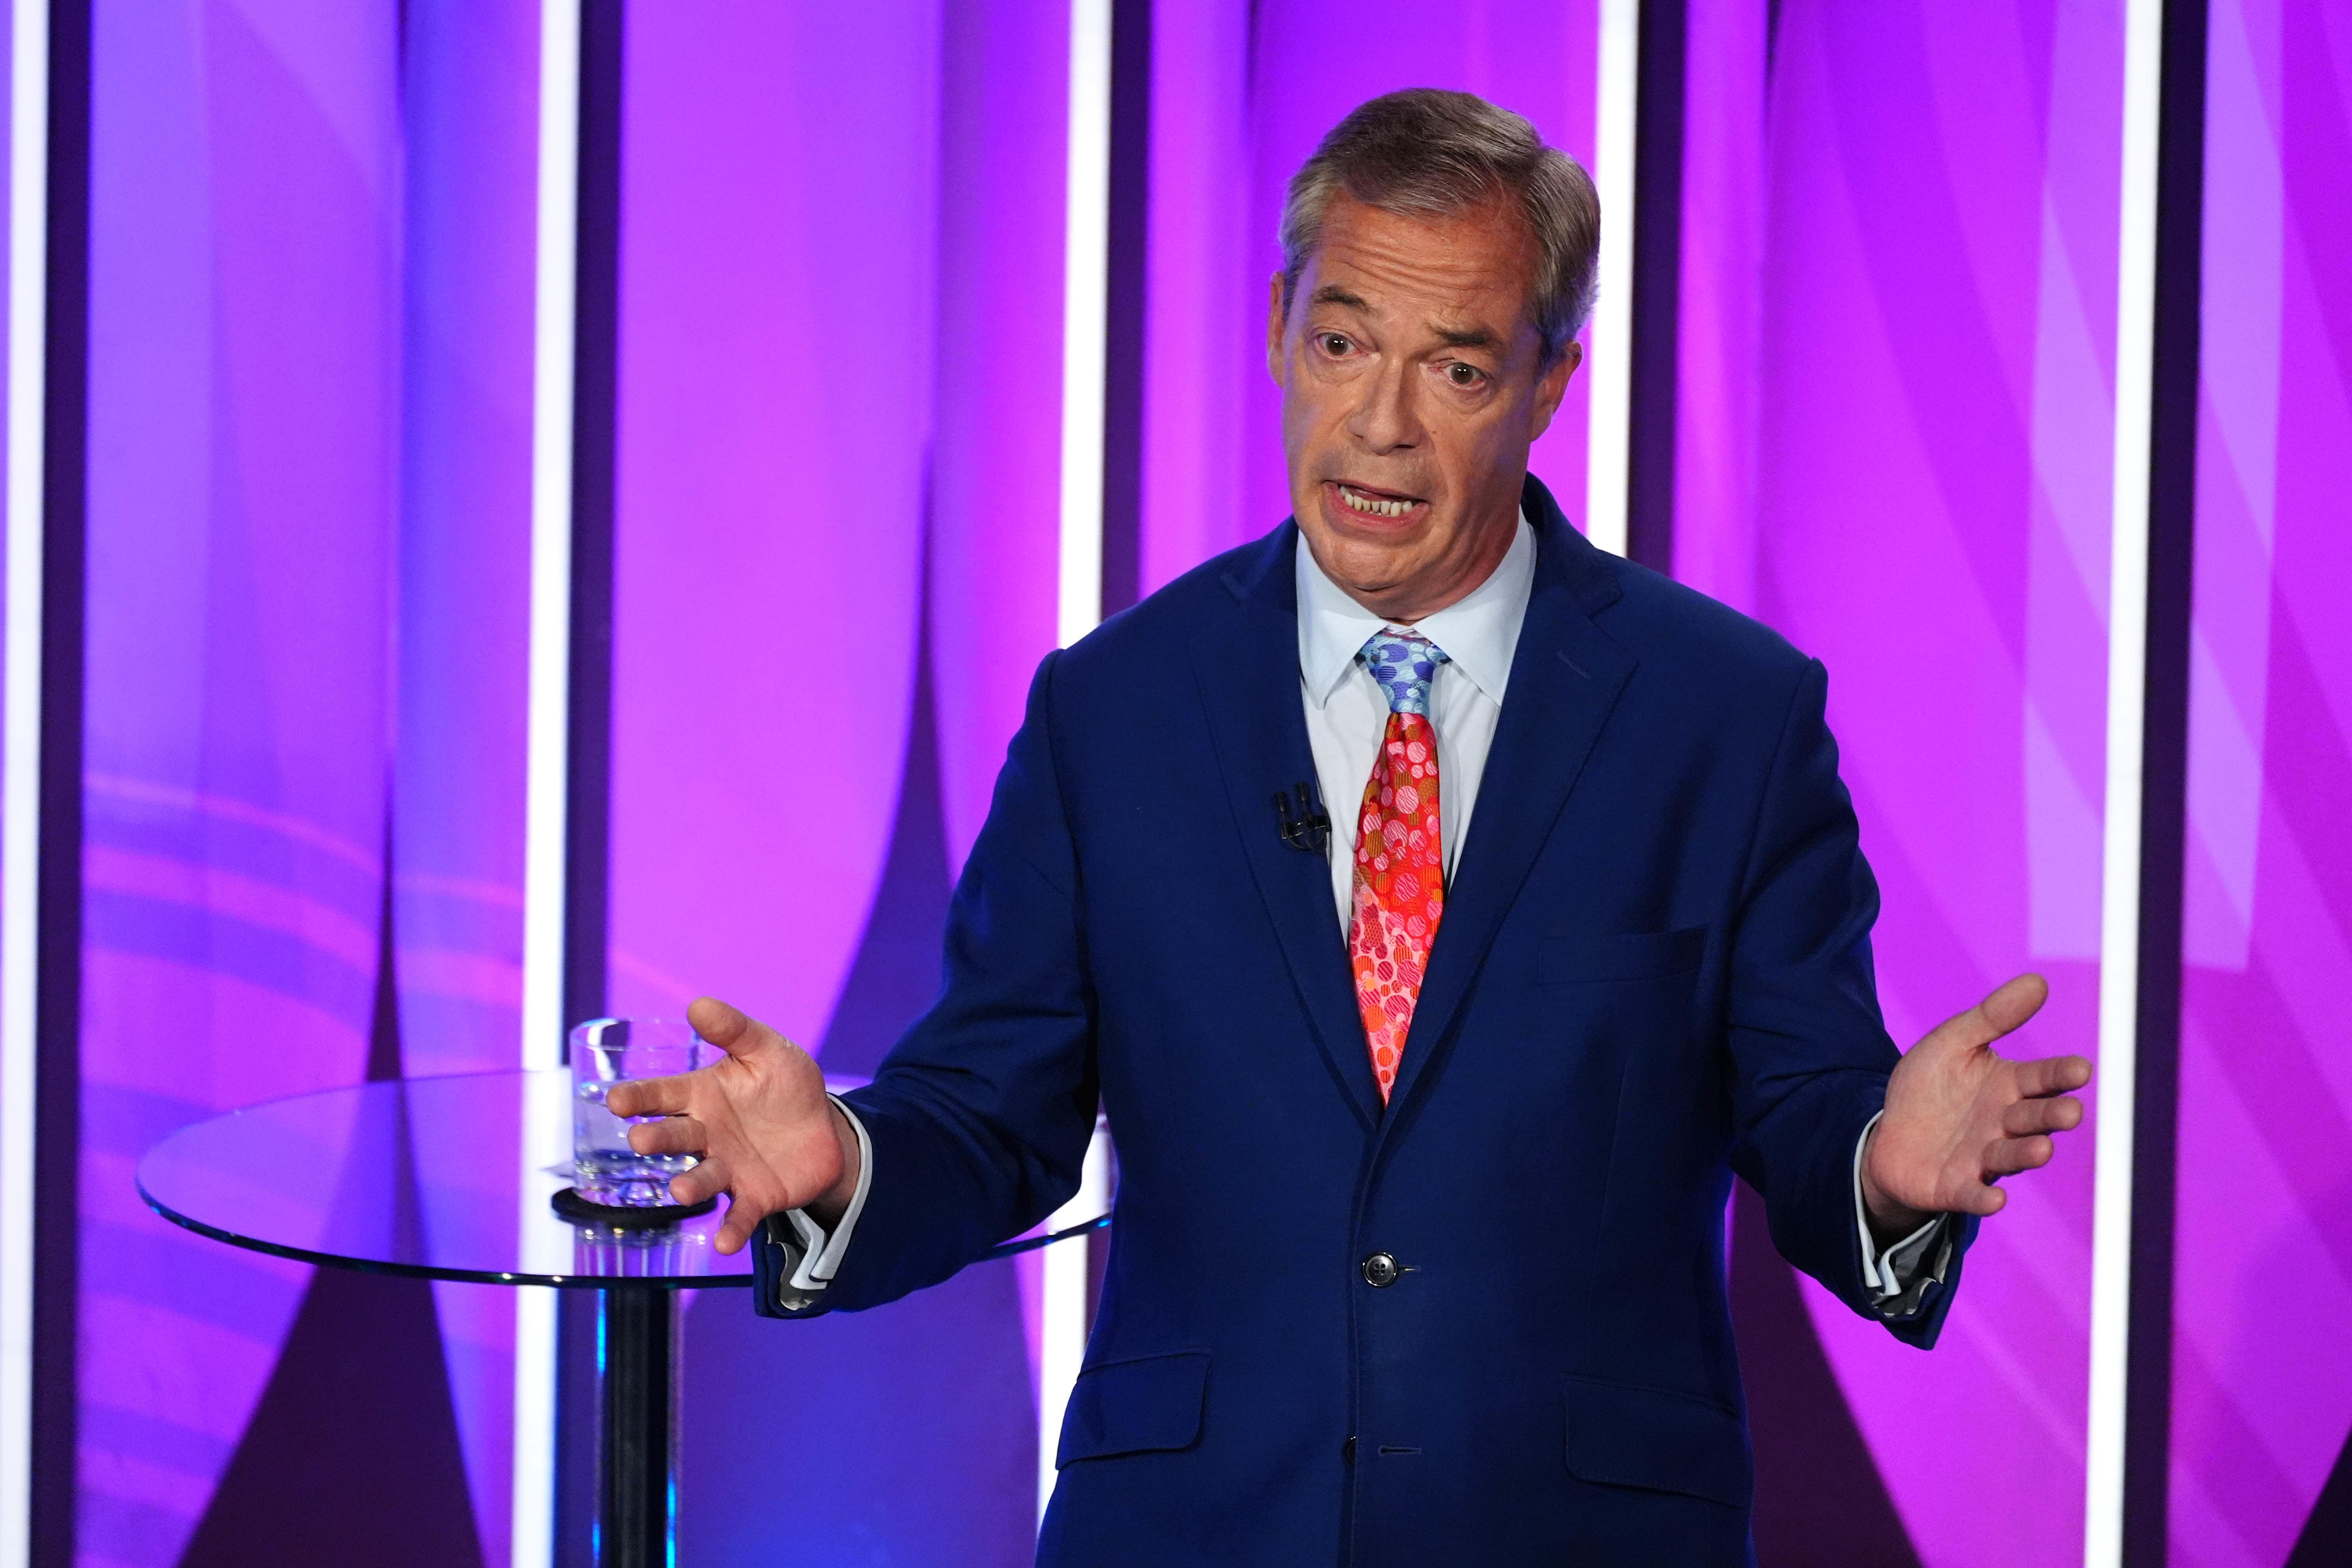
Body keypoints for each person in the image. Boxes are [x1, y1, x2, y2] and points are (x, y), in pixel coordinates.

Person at [610, 88, 2092, 1566]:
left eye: (1453, 368)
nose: (1377, 425)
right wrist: (848, 1163)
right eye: (1341, 345)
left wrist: (1884, 1173)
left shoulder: (1724, 716)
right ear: (1278, 332)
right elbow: (992, 1111)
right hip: (1192, 1526)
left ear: (1549, 382)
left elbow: (1806, 1095)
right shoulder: (1115, 709)